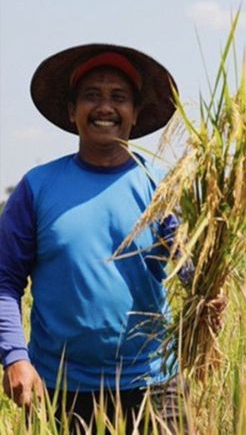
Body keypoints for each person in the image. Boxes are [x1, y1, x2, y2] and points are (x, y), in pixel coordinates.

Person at [0, 44, 191, 432]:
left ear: (135, 114)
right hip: (59, 388)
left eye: (118, 97)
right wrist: (15, 357)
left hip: (153, 384)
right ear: (72, 111)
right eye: (92, 96)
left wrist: (207, 288)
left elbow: (189, 268)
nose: (105, 107)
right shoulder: (38, 187)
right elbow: (4, 281)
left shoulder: (161, 186)